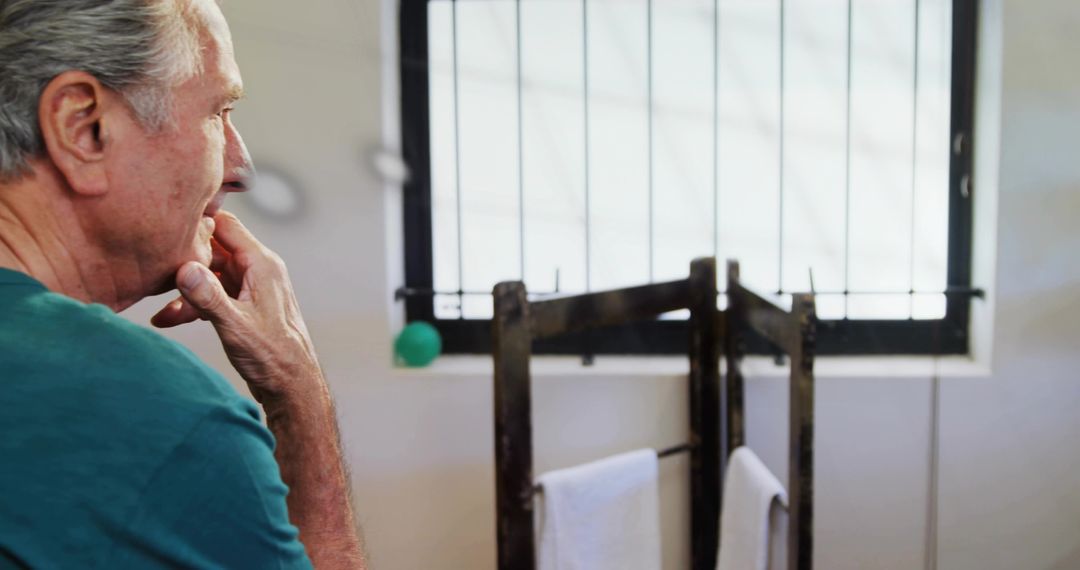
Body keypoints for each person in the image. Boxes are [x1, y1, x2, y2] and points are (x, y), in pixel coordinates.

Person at [0, 0, 365, 568]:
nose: (240, 167)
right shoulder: (160, 412)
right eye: (218, 112)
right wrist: (298, 396)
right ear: (84, 128)